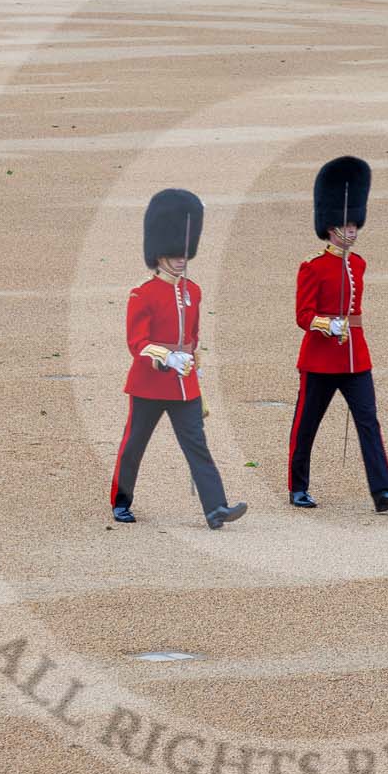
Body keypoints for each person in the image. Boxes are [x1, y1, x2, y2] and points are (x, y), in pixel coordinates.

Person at [110, 189, 247, 530]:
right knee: (134, 445)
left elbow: (194, 337)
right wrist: (166, 358)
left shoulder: (193, 291)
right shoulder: (142, 293)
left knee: (197, 446)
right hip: (150, 383)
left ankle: (215, 508)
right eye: (173, 252)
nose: (181, 258)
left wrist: (188, 364)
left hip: (184, 382)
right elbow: (137, 343)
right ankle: (121, 501)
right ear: (159, 255)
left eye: (184, 251)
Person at [287, 156, 388, 514]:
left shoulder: (358, 263)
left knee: (369, 423)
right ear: (330, 228)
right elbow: (303, 316)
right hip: (321, 359)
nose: (352, 231)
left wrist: (346, 327)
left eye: (354, 224)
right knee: (306, 426)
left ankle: (382, 491)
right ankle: (298, 488)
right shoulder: (312, 267)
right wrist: (328, 325)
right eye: (345, 225)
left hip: (356, 358)